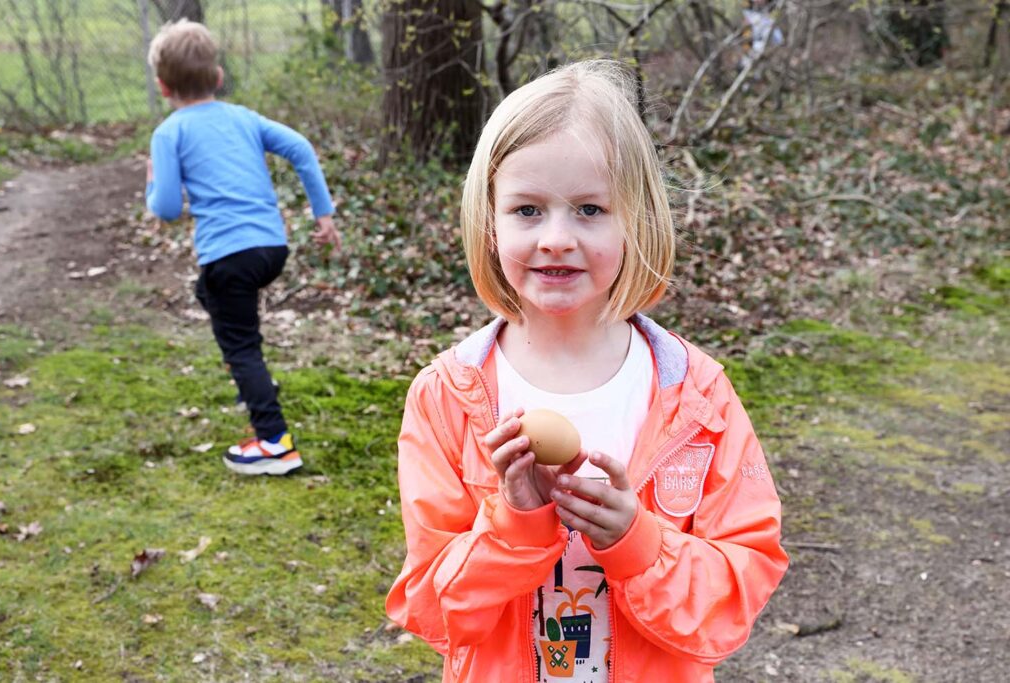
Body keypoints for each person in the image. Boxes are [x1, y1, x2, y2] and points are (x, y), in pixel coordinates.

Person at [385, 60, 788, 681]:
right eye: (526, 210)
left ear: (637, 220)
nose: (555, 238)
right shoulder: (447, 398)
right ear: (488, 223)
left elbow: (741, 584)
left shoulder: (697, 398)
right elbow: (433, 607)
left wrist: (637, 539)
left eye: (590, 209)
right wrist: (516, 523)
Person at [145, 19, 341, 475]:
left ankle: (275, 443)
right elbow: (302, 149)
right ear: (217, 77)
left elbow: (169, 208)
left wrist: (151, 185)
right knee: (210, 295)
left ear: (162, 86)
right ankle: (252, 385)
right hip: (271, 248)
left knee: (242, 347)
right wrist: (323, 214)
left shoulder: (168, 133)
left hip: (228, 255)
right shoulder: (245, 118)